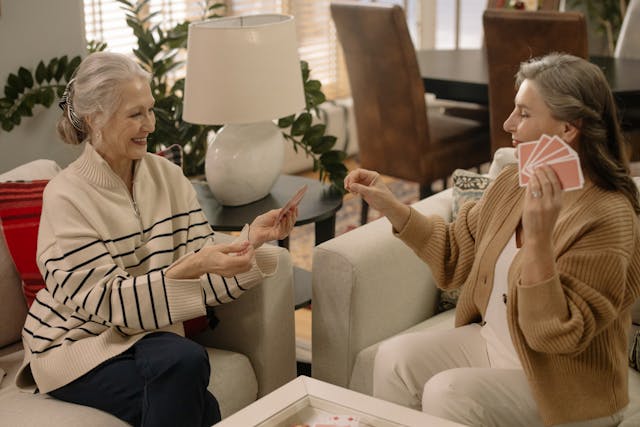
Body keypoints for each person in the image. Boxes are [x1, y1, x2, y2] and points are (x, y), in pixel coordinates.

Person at [344, 52, 640, 427]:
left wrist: (538, 240)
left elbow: (559, 337)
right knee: (394, 358)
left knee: (448, 392)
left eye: (525, 113)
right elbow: (454, 256)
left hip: (568, 381)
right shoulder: (512, 183)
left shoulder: (608, 216)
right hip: (496, 346)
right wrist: (393, 207)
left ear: (569, 128)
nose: (507, 123)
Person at [15, 51, 298, 427]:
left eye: (150, 110)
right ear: (93, 118)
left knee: (187, 375)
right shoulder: (66, 196)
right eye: (135, 114)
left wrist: (252, 241)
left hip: (148, 340)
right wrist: (190, 268)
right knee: (189, 372)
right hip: (75, 345)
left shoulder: (168, 177)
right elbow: (107, 302)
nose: (149, 124)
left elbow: (205, 274)